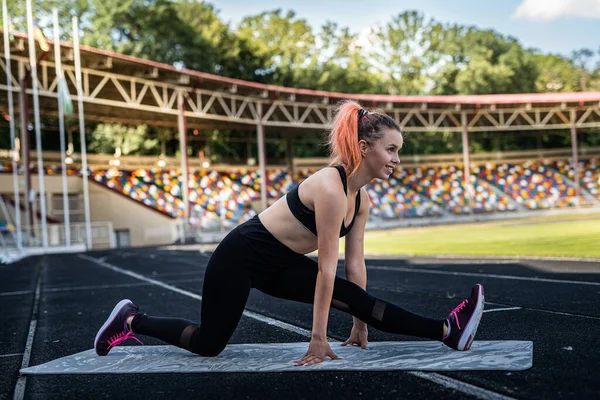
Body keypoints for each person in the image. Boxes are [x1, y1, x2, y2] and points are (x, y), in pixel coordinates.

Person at [94, 100, 485, 366]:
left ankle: (447, 331)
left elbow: (355, 264)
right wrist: (318, 337)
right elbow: (327, 269)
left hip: (279, 263)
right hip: (239, 258)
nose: (397, 160)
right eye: (392, 150)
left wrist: (360, 324)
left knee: (355, 297)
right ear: (365, 147)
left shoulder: (360, 199)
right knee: (208, 344)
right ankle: (131, 320)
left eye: (399, 151)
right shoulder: (331, 189)